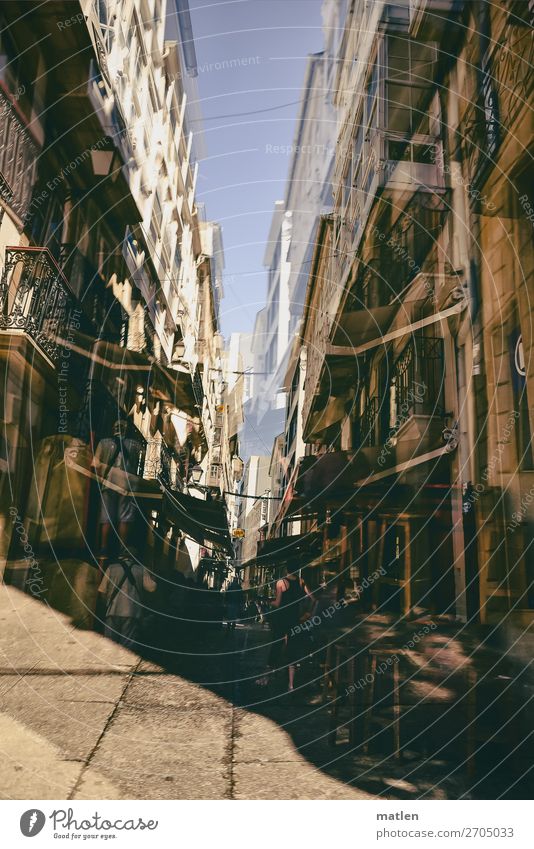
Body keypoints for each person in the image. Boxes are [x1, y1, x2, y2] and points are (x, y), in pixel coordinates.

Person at [92, 420, 143, 571]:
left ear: (113, 428)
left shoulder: (103, 443)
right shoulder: (135, 445)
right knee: (124, 517)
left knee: (106, 516)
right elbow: (138, 464)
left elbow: (94, 465)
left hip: (108, 482)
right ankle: (122, 549)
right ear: (126, 430)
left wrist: (102, 477)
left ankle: (103, 547)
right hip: (127, 485)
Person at [259, 566, 314, 691]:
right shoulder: (301, 582)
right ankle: (291, 685)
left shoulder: (281, 582)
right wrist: (308, 614)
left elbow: (277, 603)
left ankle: (265, 679)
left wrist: (268, 602)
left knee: (276, 648)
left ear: (285, 570)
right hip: (295, 621)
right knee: (292, 651)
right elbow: (313, 598)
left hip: (281, 620)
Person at [98, 551, 156, 650]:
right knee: (126, 646)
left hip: (113, 610)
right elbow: (151, 588)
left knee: (108, 643)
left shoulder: (112, 568)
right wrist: (153, 577)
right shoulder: (141, 570)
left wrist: (106, 605)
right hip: (132, 612)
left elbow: (102, 590)